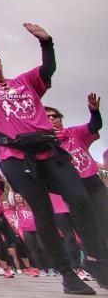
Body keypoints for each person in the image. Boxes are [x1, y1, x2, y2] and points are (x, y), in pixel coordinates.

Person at [0, 23, 108, 294]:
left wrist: (46, 42)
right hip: (15, 156)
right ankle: (67, 274)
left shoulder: (25, 81)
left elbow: (48, 70)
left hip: (49, 151)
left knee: (80, 198)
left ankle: (96, 259)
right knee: (43, 212)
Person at [46, 94, 108, 240]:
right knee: (89, 225)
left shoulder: (74, 132)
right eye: (47, 117)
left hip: (92, 182)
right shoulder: (45, 145)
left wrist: (94, 112)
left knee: (105, 217)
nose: (52, 119)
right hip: (72, 187)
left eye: (55, 116)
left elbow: (94, 126)